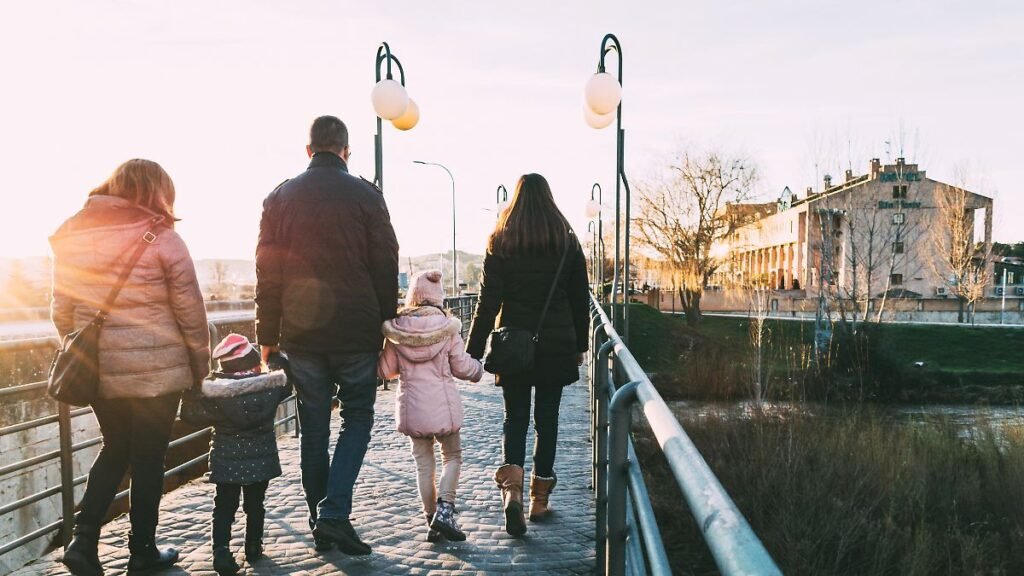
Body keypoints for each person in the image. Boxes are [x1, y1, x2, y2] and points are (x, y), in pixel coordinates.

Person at [52, 159, 210, 575]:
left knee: (115, 447)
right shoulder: (163, 237)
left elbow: (62, 313)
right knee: (148, 458)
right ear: (158, 193)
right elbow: (191, 313)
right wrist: (200, 366)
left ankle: (82, 542)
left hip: (101, 369)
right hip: (160, 372)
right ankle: (141, 551)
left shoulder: (73, 236)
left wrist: (89, 350)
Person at [255, 115, 399, 555]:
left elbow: (268, 271)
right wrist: (386, 322)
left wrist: (268, 337)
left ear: (308, 149)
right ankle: (333, 515)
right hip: (356, 331)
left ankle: (321, 519)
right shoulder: (367, 196)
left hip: (301, 334)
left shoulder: (280, 197)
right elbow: (386, 263)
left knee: (314, 429)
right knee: (357, 418)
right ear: (346, 150)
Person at [465, 173, 590, 537]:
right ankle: (539, 500)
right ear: (550, 200)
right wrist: (581, 345)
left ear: (516, 201)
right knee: (547, 420)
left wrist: (473, 351)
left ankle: (512, 494)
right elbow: (579, 300)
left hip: (513, 345)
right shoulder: (566, 242)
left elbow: (487, 303)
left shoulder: (501, 241)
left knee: (514, 419)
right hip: (555, 346)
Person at [378, 271, 484, 543]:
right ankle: (445, 510)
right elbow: (462, 366)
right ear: (438, 298)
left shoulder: (397, 331)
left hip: (413, 409)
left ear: (412, 297)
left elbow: (386, 370)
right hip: (443, 407)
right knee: (453, 457)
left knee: (423, 465)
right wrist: (479, 370)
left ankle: (431, 520)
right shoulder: (447, 328)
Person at [179, 334, 290, 575]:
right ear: (253, 364)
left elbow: (189, 415)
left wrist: (192, 389)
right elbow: (287, 383)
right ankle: (253, 546)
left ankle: (220, 552)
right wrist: (276, 359)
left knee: (224, 507)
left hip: (226, 460)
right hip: (261, 460)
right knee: (255, 505)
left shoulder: (216, 396)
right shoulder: (270, 389)